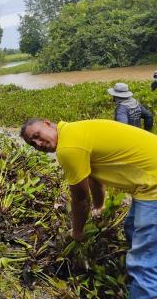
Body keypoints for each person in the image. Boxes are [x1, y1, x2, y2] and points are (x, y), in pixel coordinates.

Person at [20, 118, 157, 298]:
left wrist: (77, 232)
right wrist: (99, 206)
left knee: (143, 263)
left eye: (37, 136)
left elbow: (81, 199)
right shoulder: (75, 131)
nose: (38, 143)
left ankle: (146, 287)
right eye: (33, 143)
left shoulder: (68, 149)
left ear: (48, 123)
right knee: (132, 228)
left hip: (152, 185)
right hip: (147, 181)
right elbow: (93, 177)